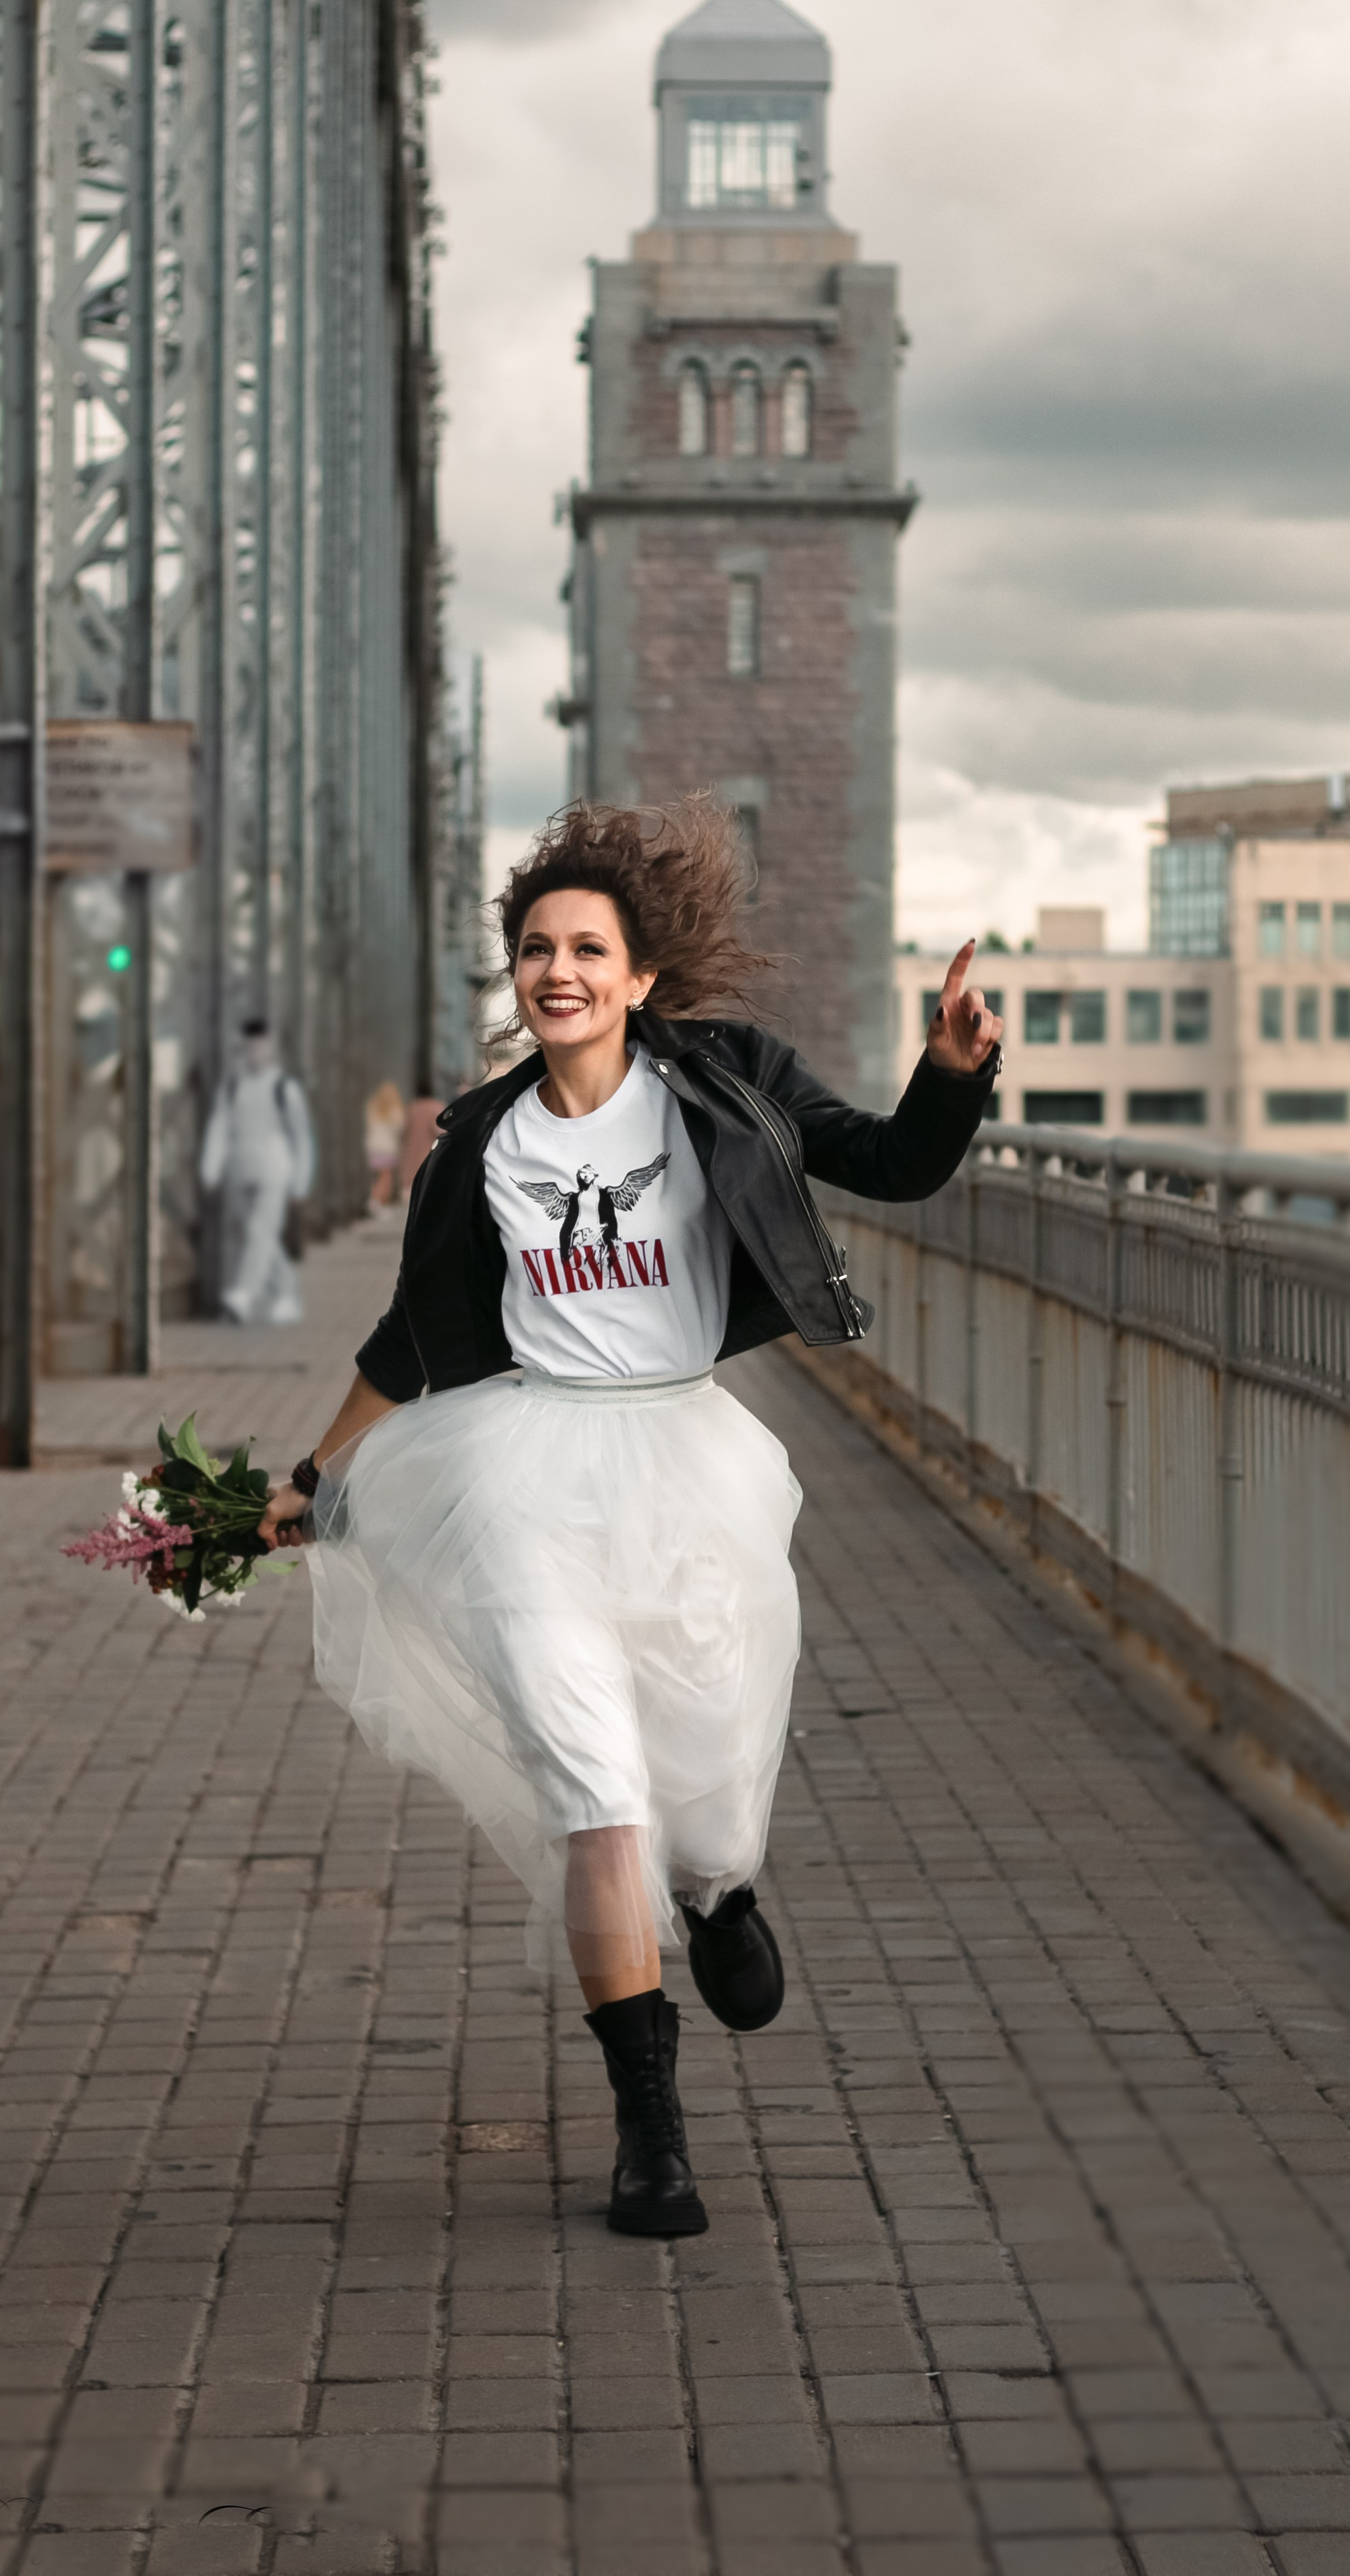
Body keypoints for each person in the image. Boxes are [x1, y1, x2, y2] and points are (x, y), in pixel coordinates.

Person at [259, 798, 1001, 2237]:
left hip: (686, 1465)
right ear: (517, 975)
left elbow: (893, 1164)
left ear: (640, 976)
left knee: (707, 1790)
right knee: (595, 1799)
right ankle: (649, 2134)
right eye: (536, 949)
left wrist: (949, 1074)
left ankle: (721, 1894)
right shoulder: (479, 1140)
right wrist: (315, 1472)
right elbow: (411, 1337)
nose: (559, 972)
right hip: (523, 1481)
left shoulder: (725, 1081)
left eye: (588, 949)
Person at [199, 1020, 316, 1325]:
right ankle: (288, 1294)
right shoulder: (233, 1086)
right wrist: (211, 1170)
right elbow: (220, 1128)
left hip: (275, 1169)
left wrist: (300, 1183)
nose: (255, 1052)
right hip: (240, 1169)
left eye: (260, 1046)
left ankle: (243, 1296)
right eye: (250, 1046)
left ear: (271, 1047)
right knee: (255, 1233)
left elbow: (301, 1136)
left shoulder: (284, 1088)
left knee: (259, 1230)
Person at [364, 1080, 406, 1212]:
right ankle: (376, 1203)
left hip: (373, 1147)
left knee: (378, 1177)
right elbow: (399, 1127)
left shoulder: (373, 1108)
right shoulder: (393, 1110)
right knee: (386, 1178)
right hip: (387, 1148)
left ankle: (376, 1201)